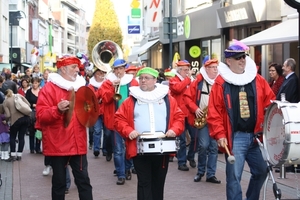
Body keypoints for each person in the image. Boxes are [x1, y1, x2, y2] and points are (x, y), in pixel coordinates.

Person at [207, 40, 275, 200]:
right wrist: (220, 134)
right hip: (235, 137)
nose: (242, 60)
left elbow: (270, 102)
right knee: (234, 178)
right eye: (238, 58)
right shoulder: (220, 83)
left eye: (243, 56)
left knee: (261, 171)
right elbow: (214, 111)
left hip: (255, 136)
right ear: (228, 62)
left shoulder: (258, 80)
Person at [115, 67, 185, 200]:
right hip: (139, 148)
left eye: (146, 78)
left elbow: (179, 118)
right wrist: (129, 131)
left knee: (158, 183)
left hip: (162, 147)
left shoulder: (168, 99)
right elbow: (119, 119)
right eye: (141, 78)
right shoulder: (131, 100)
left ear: (154, 80)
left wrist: (174, 130)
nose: (143, 81)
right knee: (144, 182)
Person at [35, 56, 93, 200]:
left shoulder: (82, 86)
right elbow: (41, 115)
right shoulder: (49, 88)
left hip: (77, 142)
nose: (77, 70)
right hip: (58, 143)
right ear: (63, 69)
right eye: (73, 67)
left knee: (84, 181)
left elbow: (92, 110)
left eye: (77, 67)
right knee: (59, 183)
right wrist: (57, 110)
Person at [100, 58, 139, 185]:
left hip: (131, 120)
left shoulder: (133, 82)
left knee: (130, 147)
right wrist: (113, 87)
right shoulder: (107, 82)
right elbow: (105, 99)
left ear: (124, 69)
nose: (119, 71)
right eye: (116, 69)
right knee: (118, 149)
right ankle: (120, 174)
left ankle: (127, 169)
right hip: (115, 120)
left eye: (121, 69)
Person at [184, 57, 221, 184]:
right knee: (203, 146)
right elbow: (187, 97)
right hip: (203, 119)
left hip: (216, 119)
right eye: (213, 67)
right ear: (206, 69)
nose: (216, 69)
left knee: (214, 147)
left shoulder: (221, 82)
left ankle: (211, 174)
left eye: (216, 67)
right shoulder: (198, 82)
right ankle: (200, 172)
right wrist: (195, 109)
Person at [169, 60, 193, 171]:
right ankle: (182, 162)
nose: (188, 72)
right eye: (185, 70)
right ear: (179, 70)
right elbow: (178, 89)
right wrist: (188, 79)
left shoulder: (190, 80)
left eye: (188, 70)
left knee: (196, 137)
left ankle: (191, 156)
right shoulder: (173, 80)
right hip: (180, 113)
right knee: (182, 140)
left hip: (191, 112)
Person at [87, 64, 111, 159]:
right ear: (95, 74)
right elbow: (90, 97)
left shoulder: (108, 84)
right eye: (98, 73)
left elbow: (109, 96)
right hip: (96, 111)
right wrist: (99, 96)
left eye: (102, 73)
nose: (100, 75)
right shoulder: (90, 85)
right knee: (97, 131)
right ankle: (96, 149)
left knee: (107, 132)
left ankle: (105, 150)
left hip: (106, 111)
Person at [3, 89, 31, 161]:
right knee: (21, 137)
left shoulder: (6, 102)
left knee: (13, 137)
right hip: (26, 118)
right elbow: (28, 104)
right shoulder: (19, 95)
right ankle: (19, 155)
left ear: (5, 95)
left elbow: (8, 115)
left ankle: (13, 155)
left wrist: (5, 120)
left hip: (15, 120)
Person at [25, 77, 41, 154]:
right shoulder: (28, 92)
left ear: (38, 83)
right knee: (32, 131)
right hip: (31, 113)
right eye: (33, 83)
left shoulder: (41, 91)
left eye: (36, 83)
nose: (34, 85)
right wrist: (32, 104)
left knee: (39, 131)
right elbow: (26, 102)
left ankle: (37, 148)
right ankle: (31, 148)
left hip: (40, 113)